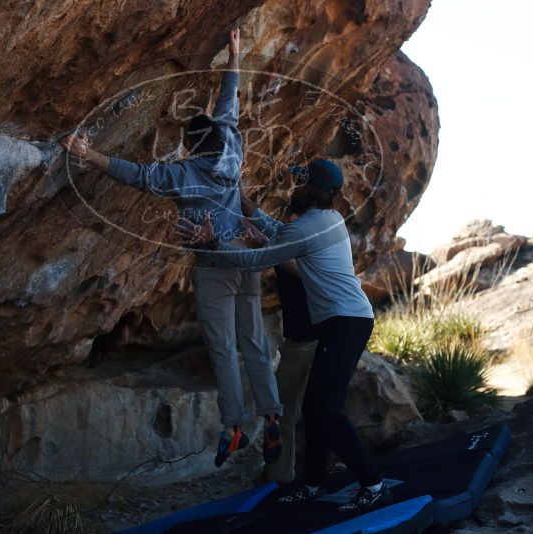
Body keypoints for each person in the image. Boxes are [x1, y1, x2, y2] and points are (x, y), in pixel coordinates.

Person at [60, 28, 284, 468]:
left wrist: (88, 154)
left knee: (222, 348)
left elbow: (136, 175)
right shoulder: (232, 144)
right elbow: (229, 100)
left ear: (189, 145)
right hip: (247, 255)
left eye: (185, 142)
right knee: (254, 342)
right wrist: (234, 55)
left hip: (216, 263)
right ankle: (272, 416)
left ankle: (234, 425)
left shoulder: (182, 175)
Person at [176, 159, 389, 514]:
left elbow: (254, 258)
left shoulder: (305, 228)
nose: (295, 185)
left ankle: (373, 483)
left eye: (300, 181)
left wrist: (213, 241)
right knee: (315, 408)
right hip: (347, 320)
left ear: (312, 189)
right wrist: (244, 203)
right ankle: (315, 482)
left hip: (346, 322)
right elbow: (279, 232)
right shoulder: (328, 219)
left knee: (326, 408)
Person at [239, 190, 319, 485]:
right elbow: (256, 216)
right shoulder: (286, 240)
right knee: (281, 415)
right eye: (292, 220)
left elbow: (304, 271)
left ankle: (315, 476)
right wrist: (238, 191)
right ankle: (280, 478)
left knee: (319, 414)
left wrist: (269, 246)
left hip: (320, 345)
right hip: (293, 345)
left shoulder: (314, 248)